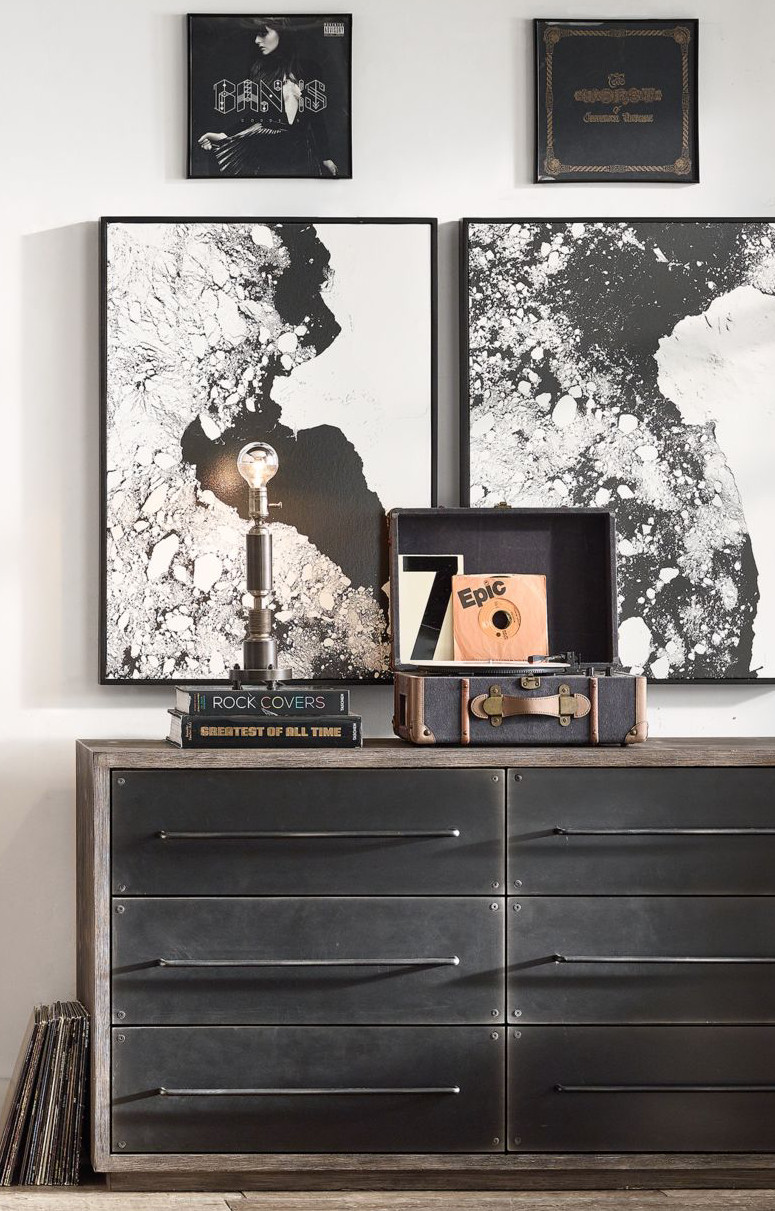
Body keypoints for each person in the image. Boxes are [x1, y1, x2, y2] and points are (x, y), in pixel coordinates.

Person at [197, 18, 339, 178]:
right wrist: (222, 136)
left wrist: (325, 156)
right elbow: (252, 116)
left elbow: (316, 116)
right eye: (256, 34)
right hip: (267, 154)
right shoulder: (258, 70)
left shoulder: (310, 68)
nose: (257, 40)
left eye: (263, 33)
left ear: (283, 33)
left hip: (302, 154)